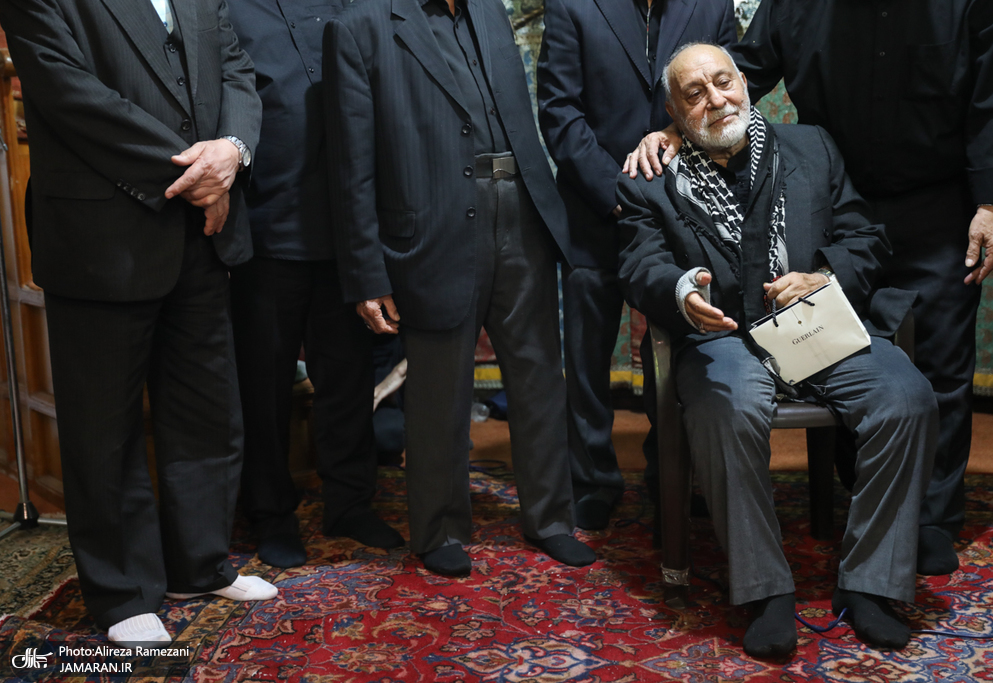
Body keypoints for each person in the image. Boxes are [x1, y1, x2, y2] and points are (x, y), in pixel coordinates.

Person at [628, 0, 993, 576]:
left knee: (939, 365)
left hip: (935, 199)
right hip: (825, 192)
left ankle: (930, 520)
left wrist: (991, 202)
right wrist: (678, 126)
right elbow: (742, 68)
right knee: (837, 355)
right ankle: (859, 497)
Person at [618, 43, 938, 657]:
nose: (716, 100)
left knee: (907, 398)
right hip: (724, 338)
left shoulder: (811, 147)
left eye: (723, 81)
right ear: (674, 112)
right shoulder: (651, 178)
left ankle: (870, 584)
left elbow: (866, 237)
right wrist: (682, 291)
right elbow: (639, 265)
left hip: (816, 324)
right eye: (695, 94)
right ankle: (766, 591)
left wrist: (824, 276)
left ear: (745, 82)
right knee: (727, 405)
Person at [0, 0, 278, 644]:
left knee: (207, 409)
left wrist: (234, 150)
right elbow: (73, 98)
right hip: (104, 235)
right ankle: (122, 593)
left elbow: (236, 67)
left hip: (203, 232)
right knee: (104, 429)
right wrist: (201, 175)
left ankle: (200, 565)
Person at [322, 0, 595, 577]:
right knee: (438, 391)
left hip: (522, 211)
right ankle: (440, 528)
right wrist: (367, 273)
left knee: (540, 379)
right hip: (432, 230)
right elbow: (351, 165)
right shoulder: (358, 28)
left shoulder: (490, 11)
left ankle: (550, 519)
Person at [535, 0, 736, 530]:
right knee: (587, 356)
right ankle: (592, 481)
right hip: (593, 209)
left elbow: (730, 94)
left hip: (684, 209)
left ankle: (670, 474)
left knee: (680, 348)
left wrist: (671, 170)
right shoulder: (572, 7)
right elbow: (559, 112)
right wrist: (620, 194)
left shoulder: (713, 5)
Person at [227, 0, 403, 570]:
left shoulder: (349, 6)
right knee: (264, 386)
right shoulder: (229, 10)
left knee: (347, 378)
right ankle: (269, 512)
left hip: (346, 231)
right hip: (264, 231)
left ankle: (349, 502)